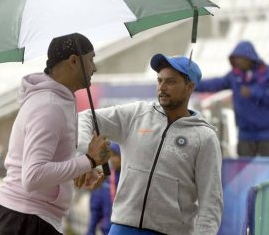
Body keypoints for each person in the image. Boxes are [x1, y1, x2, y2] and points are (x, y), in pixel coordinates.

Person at [76, 54, 223, 235]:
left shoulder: (204, 137)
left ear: (189, 87)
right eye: (159, 80)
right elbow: (86, 117)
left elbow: (211, 202)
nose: (162, 87)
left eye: (170, 82)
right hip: (121, 227)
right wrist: (84, 157)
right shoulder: (137, 114)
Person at [0, 33, 111, 235]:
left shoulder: (57, 100)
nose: (94, 67)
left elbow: (47, 163)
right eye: (91, 59)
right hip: (27, 221)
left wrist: (80, 169)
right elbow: (33, 177)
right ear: (74, 61)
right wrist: (88, 160)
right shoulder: (49, 106)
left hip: (29, 219)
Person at [195, 41, 269, 157]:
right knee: (245, 172)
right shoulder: (234, 76)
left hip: (266, 134)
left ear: (250, 58)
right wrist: (192, 85)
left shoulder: (266, 74)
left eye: (240, 58)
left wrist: (253, 92)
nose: (237, 62)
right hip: (245, 135)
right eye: (235, 59)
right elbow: (216, 84)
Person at [87, 142, 121, 235]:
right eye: (111, 156)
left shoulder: (125, 181)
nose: (112, 160)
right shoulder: (105, 180)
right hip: (106, 230)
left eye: (116, 156)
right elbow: (95, 210)